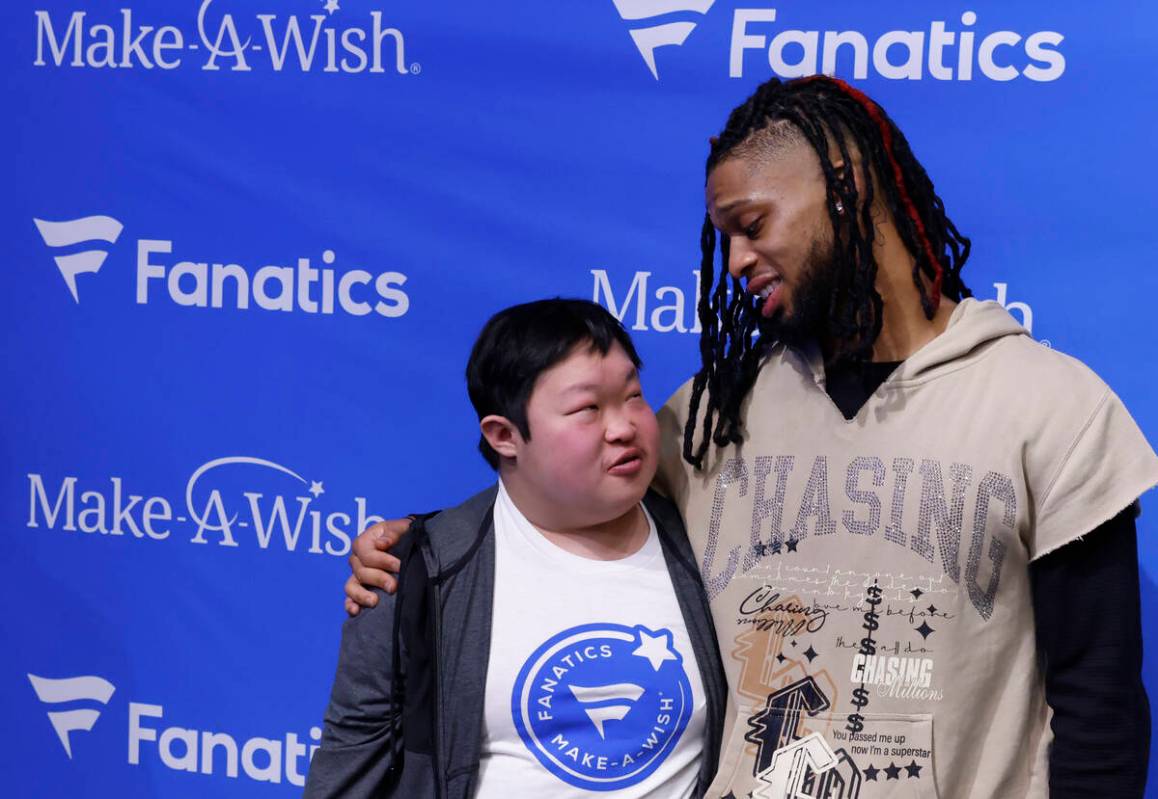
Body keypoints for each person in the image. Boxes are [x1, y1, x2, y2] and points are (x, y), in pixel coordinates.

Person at [343, 76, 1157, 797]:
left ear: (846, 188)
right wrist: (419, 547)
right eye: (722, 236)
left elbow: (1099, 702)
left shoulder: (1048, 405)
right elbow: (562, 496)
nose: (733, 260)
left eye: (752, 223)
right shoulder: (710, 414)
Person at [304, 299, 726, 799]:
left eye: (633, 396)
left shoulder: (710, 539)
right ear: (504, 435)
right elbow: (348, 773)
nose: (624, 427)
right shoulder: (416, 575)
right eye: (588, 408)